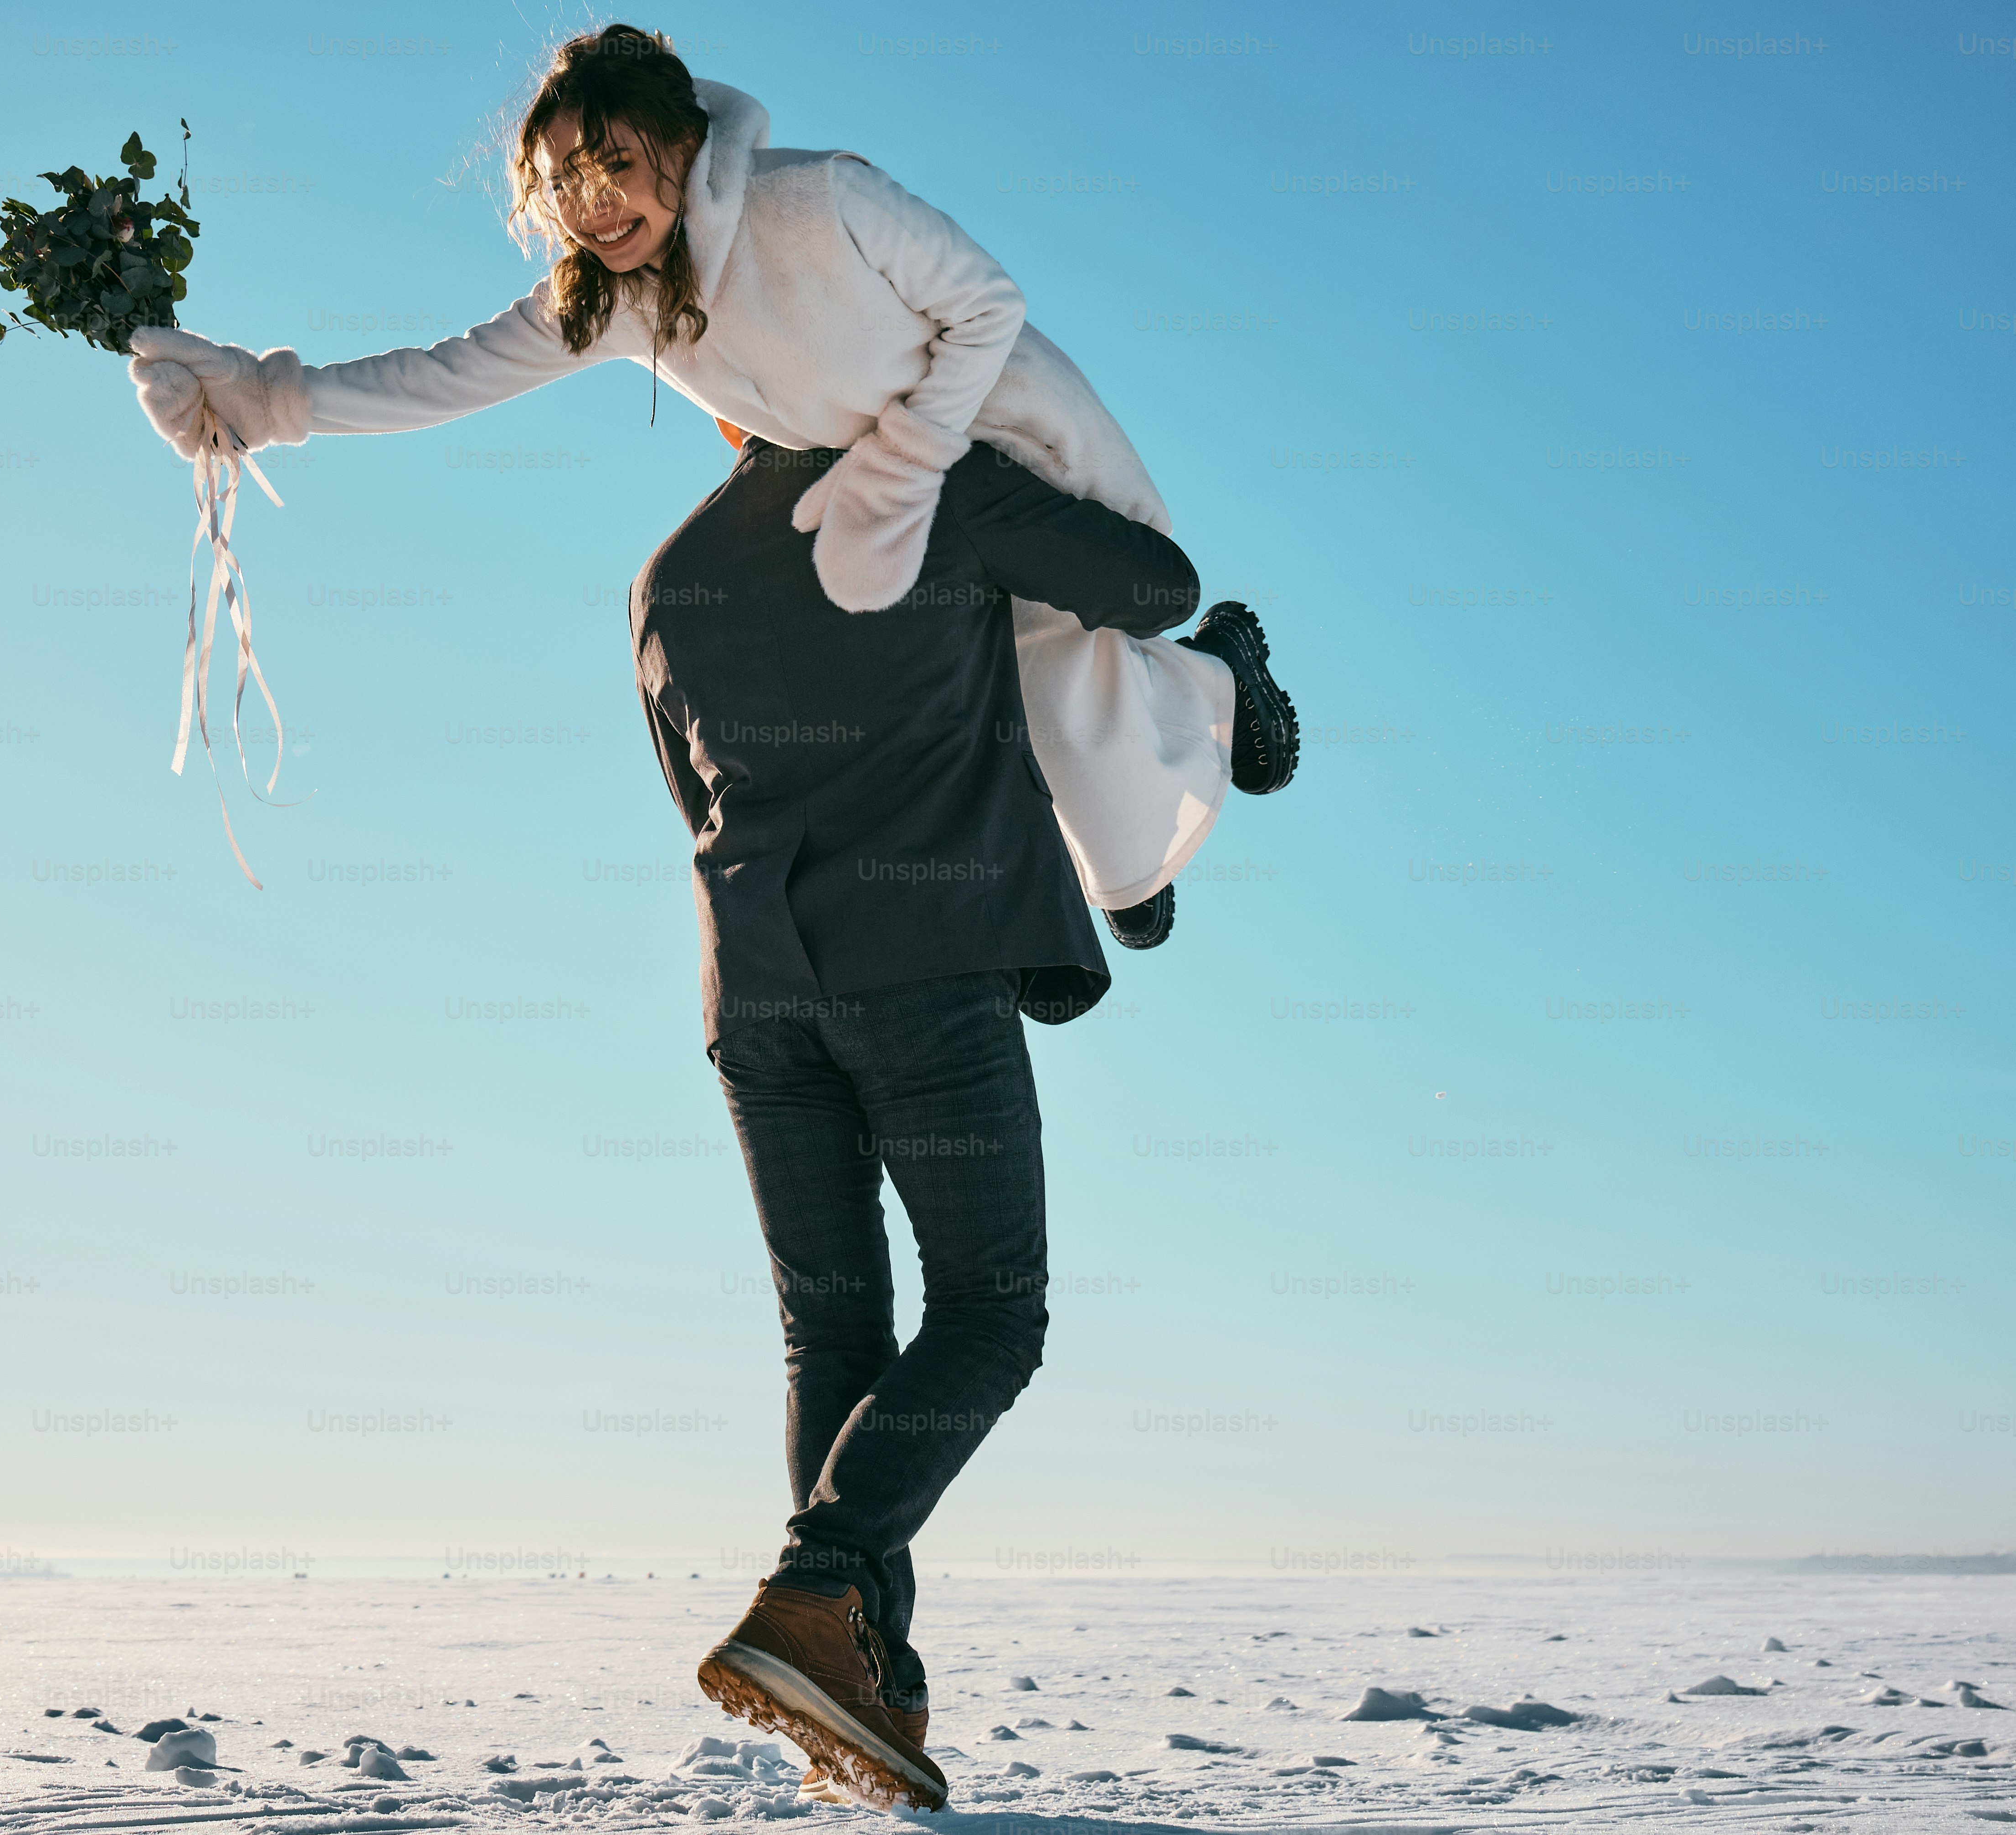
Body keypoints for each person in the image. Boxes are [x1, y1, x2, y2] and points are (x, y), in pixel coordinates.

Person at [125, 25, 1298, 952]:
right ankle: (1148, 792)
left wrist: (915, 451)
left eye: (614, 166)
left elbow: (988, 305)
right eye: (563, 186)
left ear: (678, 142)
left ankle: (1214, 664)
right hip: (893, 515)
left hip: (995, 433)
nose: (593, 205)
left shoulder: (821, 198)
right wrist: (265, 405)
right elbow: (444, 376)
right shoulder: (611, 298)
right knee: (1062, 757)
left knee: (1141, 593)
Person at [632, 420, 1227, 1808]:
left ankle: (864, 1685)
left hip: (756, 992)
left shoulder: (668, 574)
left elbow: (689, 789)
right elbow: (1158, 584)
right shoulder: (928, 484)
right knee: (989, 1310)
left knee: (835, 1331)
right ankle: (814, 1590)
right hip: (921, 961)